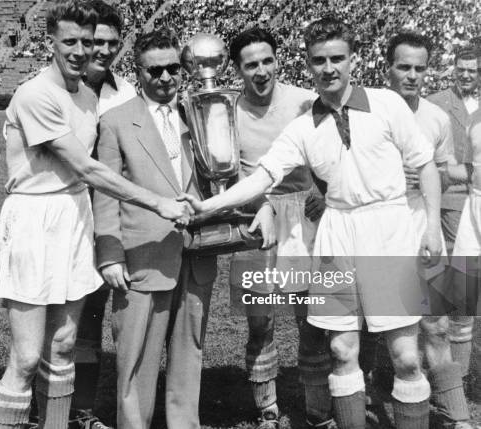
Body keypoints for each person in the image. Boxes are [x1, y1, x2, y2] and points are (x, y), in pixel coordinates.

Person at [182, 16, 442, 429]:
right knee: (341, 350)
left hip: (389, 231)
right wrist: (206, 207)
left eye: (337, 58)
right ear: (307, 63)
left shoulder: (386, 104)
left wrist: (429, 229)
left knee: (407, 356)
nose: (329, 68)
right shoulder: (302, 127)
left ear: (353, 59)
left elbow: (426, 166)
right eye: (319, 60)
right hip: (336, 234)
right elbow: (262, 177)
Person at [0, 4, 190, 429]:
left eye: (88, 41)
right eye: (71, 42)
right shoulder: (35, 93)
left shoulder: (85, 95)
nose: (81, 51)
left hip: (75, 213)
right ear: (51, 43)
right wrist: (156, 202)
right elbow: (88, 167)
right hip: (34, 215)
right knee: (26, 357)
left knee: (63, 343)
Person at [92, 28, 217, 429]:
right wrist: (109, 253)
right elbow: (105, 191)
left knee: (188, 351)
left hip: (195, 252)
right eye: (155, 71)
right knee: (136, 358)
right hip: (142, 253)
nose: (165, 78)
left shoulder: (199, 111)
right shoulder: (115, 121)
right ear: (138, 71)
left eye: (173, 69)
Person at [226, 27, 333, 429]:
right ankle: (266, 407)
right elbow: (227, 174)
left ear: (278, 59)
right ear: (237, 68)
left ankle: (318, 408)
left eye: (267, 60)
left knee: (312, 317)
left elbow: (335, 152)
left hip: (305, 216)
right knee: (261, 319)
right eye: (251, 64)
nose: (261, 70)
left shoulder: (305, 101)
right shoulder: (229, 111)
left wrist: (325, 189)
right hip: (255, 219)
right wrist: (258, 205)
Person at [385, 30, 473, 429]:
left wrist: (428, 173)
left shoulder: (436, 117)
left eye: (420, 68)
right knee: (373, 325)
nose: (412, 75)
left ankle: (457, 416)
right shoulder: (367, 110)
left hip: (423, 224)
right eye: (404, 66)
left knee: (436, 323)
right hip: (376, 227)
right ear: (388, 68)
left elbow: (448, 172)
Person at [71, 1, 136, 428]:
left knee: (108, 315)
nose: (104, 50)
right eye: (96, 41)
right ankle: (70, 409)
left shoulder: (127, 90)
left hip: (115, 218)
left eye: (113, 42)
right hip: (72, 216)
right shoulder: (58, 88)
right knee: (73, 320)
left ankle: (89, 408)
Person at [428, 45, 479, 384]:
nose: (465, 75)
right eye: (460, 69)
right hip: (453, 200)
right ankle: (455, 376)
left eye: (472, 70)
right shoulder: (437, 103)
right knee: (461, 290)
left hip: (478, 198)